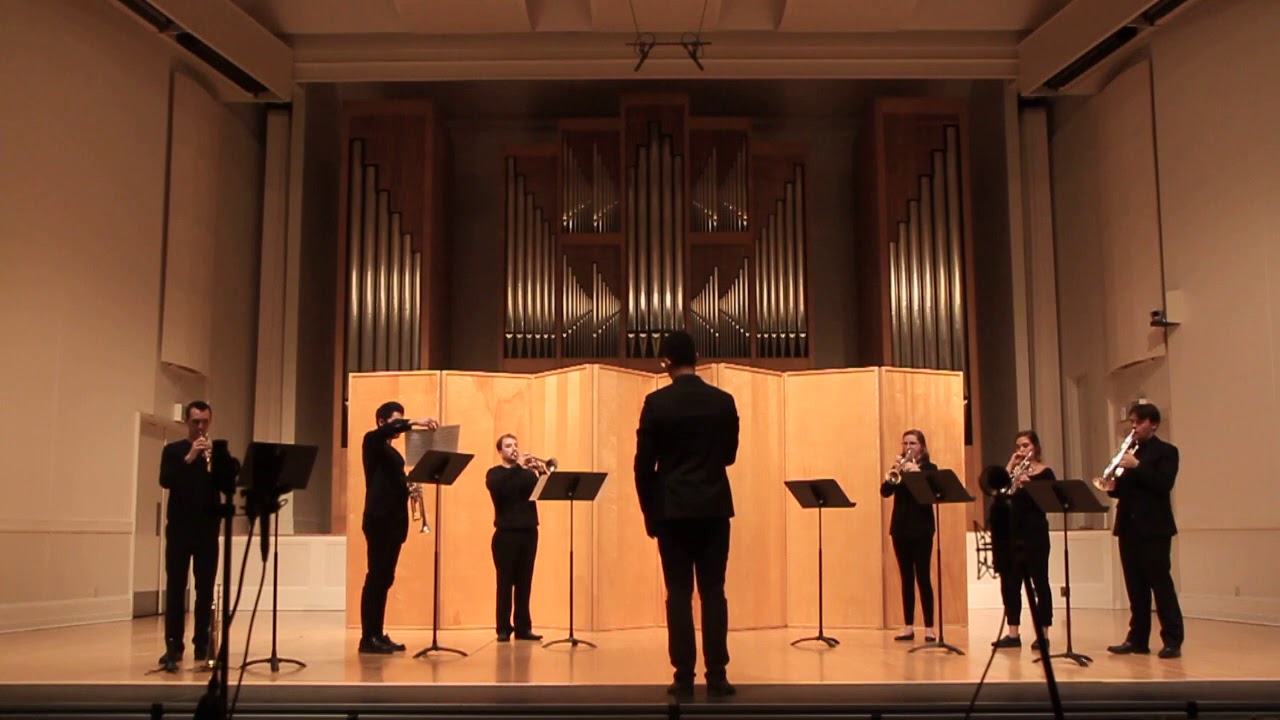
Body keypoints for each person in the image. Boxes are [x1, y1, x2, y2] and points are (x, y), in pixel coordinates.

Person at [634, 331, 739, 698]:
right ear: (697, 358)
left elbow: (643, 466)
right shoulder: (723, 401)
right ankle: (718, 675)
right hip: (713, 508)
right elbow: (729, 456)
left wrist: (649, 512)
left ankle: (683, 676)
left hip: (672, 510)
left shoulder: (656, 403)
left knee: (678, 592)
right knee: (714, 591)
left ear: (666, 362)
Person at [1100, 402, 1184, 659]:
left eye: (1139, 422)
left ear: (1153, 424)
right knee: (1135, 587)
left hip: (1154, 528)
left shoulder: (1167, 452)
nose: (1134, 427)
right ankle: (1137, 639)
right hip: (1128, 526)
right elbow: (1125, 490)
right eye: (1132, 422)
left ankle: (1172, 640)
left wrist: (1137, 465)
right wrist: (1112, 486)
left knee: (1161, 585)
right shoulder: (1130, 451)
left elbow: (1163, 484)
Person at [158, 401, 233, 672]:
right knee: (176, 588)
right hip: (180, 529)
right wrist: (190, 457)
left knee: (205, 589)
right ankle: (173, 646)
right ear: (187, 422)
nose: (200, 427)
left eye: (205, 422)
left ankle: (203, 643)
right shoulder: (173, 451)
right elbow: (166, 480)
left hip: (207, 530)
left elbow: (228, 486)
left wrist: (217, 464)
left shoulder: (216, 453)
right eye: (195, 422)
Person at [359, 401, 438, 654]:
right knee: (376, 578)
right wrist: (414, 422)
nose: (400, 426)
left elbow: (390, 483)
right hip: (379, 519)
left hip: (393, 521)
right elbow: (386, 433)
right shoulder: (372, 441)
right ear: (382, 422)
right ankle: (367, 637)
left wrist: (408, 487)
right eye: (396, 421)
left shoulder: (390, 452)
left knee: (385, 579)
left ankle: (377, 633)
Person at [988, 430, 1056, 650]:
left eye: (1025, 446)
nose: (1021, 450)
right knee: (1010, 583)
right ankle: (1013, 632)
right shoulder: (1013, 473)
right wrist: (1011, 466)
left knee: (1040, 582)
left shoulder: (1045, 473)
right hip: (1011, 533)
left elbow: (1049, 501)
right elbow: (996, 492)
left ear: (1035, 447)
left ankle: (1043, 633)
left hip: (1035, 532)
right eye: (1018, 446)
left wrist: (1031, 485)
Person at [880, 429, 937, 642]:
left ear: (921, 446)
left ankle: (929, 627)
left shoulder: (930, 469)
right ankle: (908, 626)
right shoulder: (899, 469)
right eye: (905, 443)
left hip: (922, 528)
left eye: (912, 443)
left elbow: (930, 494)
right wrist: (895, 471)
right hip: (900, 528)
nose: (908, 447)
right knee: (906, 578)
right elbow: (885, 492)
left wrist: (917, 473)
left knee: (923, 577)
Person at [485, 433, 543, 642]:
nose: (513, 448)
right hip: (505, 534)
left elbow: (541, 491)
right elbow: (502, 489)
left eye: (515, 445)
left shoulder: (527, 475)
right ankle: (503, 628)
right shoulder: (494, 474)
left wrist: (541, 472)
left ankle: (523, 627)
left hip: (529, 532)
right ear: (500, 452)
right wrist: (519, 466)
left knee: (525, 582)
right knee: (505, 582)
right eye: (508, 446)